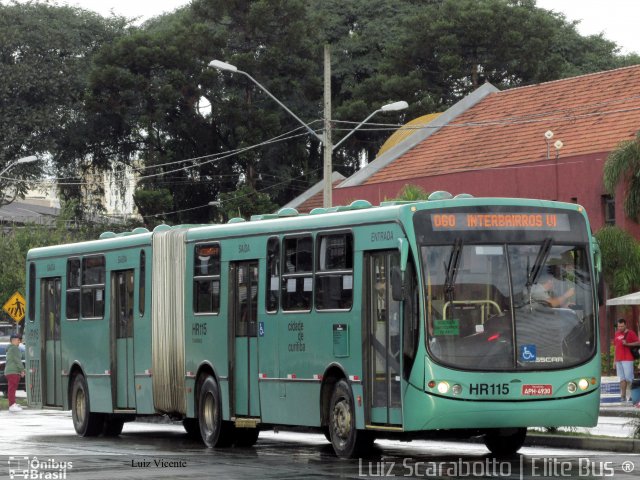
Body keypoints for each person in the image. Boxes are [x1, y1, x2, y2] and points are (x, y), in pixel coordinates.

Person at [614, 318, 639, 403]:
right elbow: (615, 347)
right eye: (618, 326)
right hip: (618, 359)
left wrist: (628, 344)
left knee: (629, 378)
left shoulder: (631, 333)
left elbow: (638, 342)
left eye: (621, 326)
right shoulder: (617, 334)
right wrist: (614, 361)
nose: (620, 328)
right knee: (621, 379)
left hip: (628, 359)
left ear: (625, 325)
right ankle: (623, 396)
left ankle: (633, 395)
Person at [5, 332, 25, 412]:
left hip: (10, 371)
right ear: (12, 340)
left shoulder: (10, 348)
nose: (19, 341)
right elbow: (17, 360)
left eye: (19, 340)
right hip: (13, 371)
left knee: (11, 389)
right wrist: (22, 370)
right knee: (12, 389)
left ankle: (12, 404)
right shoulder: (14, 348)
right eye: (17, 340)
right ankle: (12, 405)